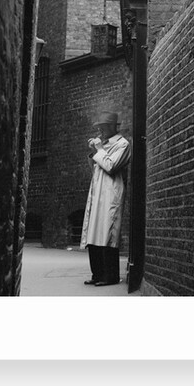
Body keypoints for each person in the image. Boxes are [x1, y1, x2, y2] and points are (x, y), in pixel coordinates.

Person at [80, 110, 131, 286]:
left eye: (102, 128)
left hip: (110, 193)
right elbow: (95, 170)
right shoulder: (104, 144)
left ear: (111, 127)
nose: (100, 131)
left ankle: (110, 276)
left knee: (107, 232)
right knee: (93, 233)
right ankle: (97, 274)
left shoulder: (123, 144)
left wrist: (99, 149)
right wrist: (93, 152)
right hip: (97, 191)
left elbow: (111, 166)